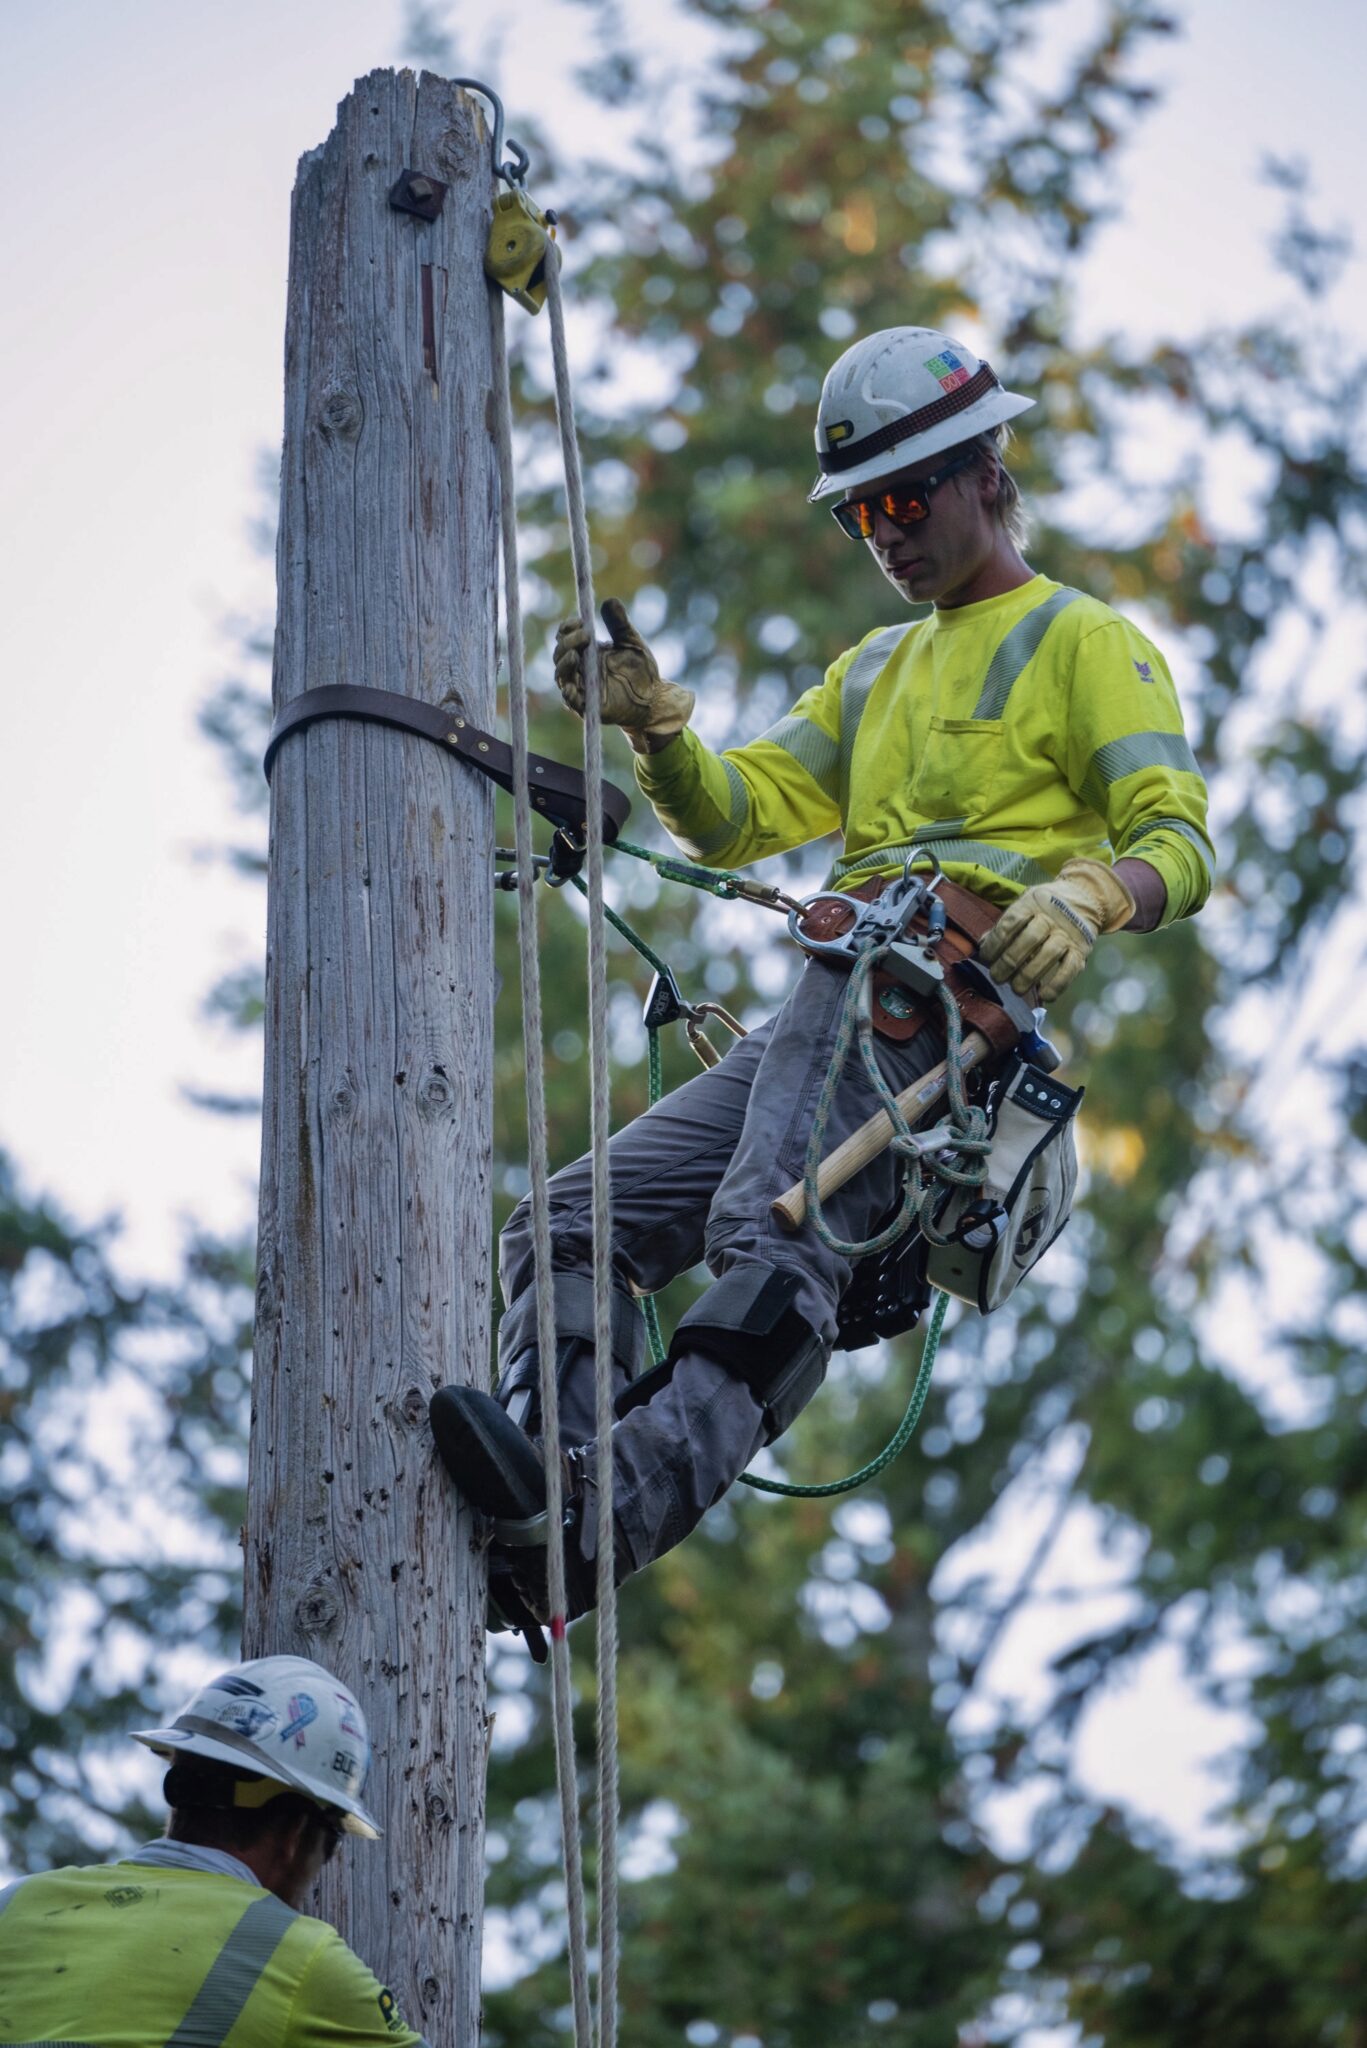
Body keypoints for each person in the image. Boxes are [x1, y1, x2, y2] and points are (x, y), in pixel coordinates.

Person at [430, 325, 1214, 1640]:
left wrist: (1090, 893)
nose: (884, 536)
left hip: (926, 1009)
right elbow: (737, 819)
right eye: (861, 516)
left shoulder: (1085, 641)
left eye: (902, 500)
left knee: (768, 1232)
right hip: (826, 990)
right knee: (567, 1225)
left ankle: (606, 1517)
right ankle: (548, 1475)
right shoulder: (875, 670)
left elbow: (1174, 837)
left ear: (982, 473)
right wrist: (660, 730)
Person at [0, 1654, 429, 2046]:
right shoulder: (301, 1958)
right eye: (332, 1842)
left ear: (181, 1788)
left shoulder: (15, 1905)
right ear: (296, 1834)